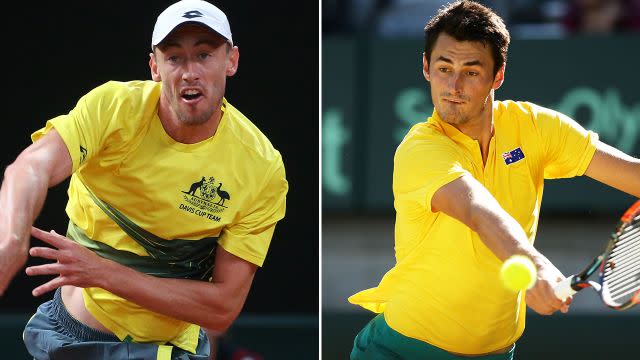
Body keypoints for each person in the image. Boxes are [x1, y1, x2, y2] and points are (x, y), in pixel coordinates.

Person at [348, 1, 639, 359]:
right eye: (443, 68)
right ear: (426, 68)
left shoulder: (535, 127)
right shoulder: (419, 150)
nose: (453, 85)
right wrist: (537, 267)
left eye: (471, 72)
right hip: (401, 351)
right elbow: (480, 211)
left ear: (497, 75)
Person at [0, 0, 288, 359]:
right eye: (174, 58)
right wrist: (11, 243)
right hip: (74, 340)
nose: (189, 72)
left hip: (172, 349)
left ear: (231, 61)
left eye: (204, 55)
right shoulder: (114, 108)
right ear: (155, 67)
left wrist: (104, 273)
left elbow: (222, 308)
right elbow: (32, 166)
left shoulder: (261, 166)